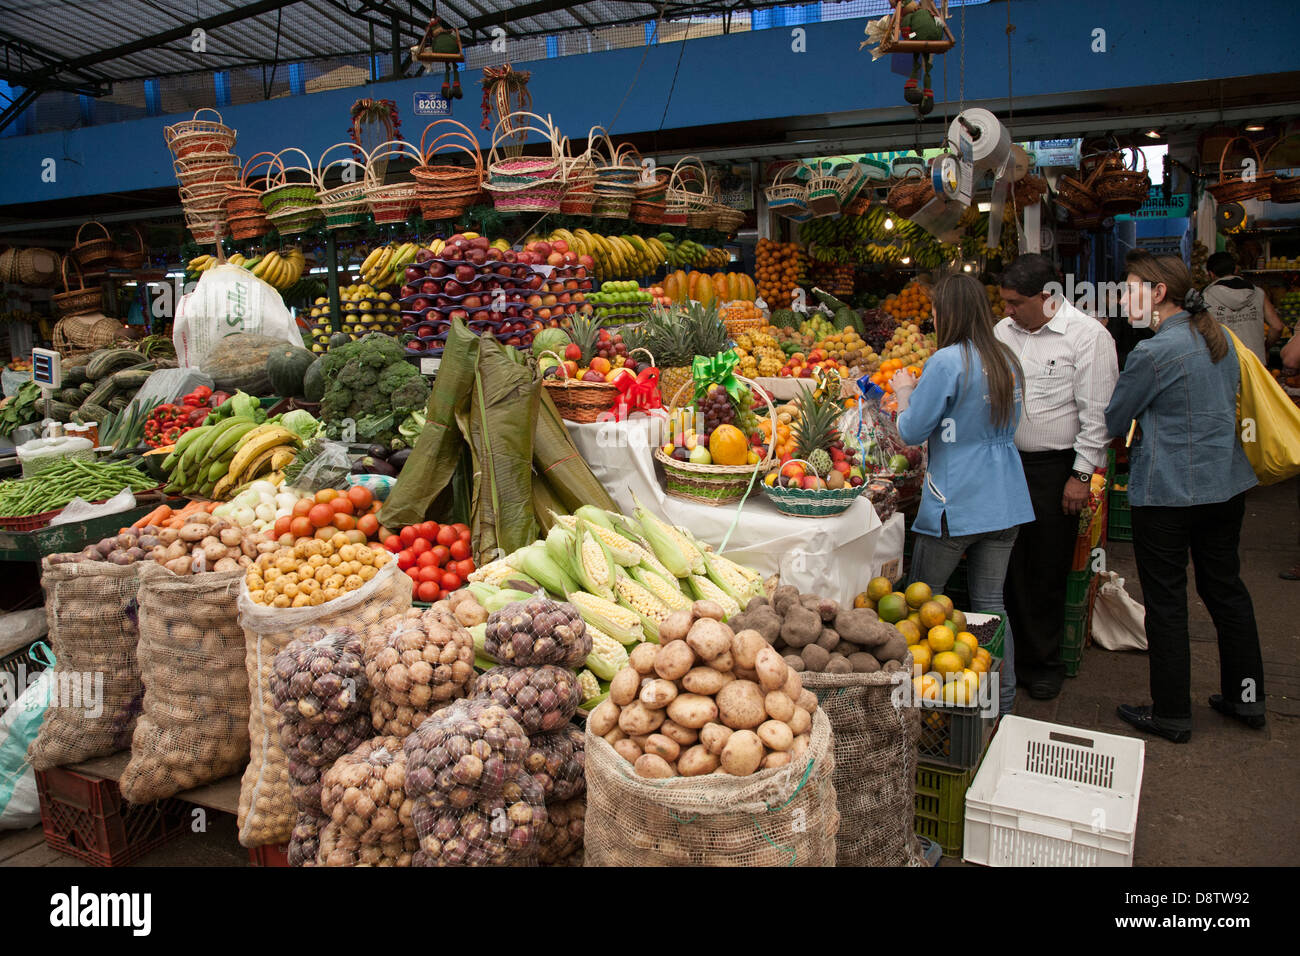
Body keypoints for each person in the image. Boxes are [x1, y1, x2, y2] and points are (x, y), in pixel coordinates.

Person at [1105, 251, 1265, 743]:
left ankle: (1172, 713)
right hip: (1225, 486)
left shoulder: (1152, 354)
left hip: (1168, 494)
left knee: (1167, 601)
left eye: (1130, 288)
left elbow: (1115, 420)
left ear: (1158, 293)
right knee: (1226, 591)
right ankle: (1247, 698)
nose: (1121, 298)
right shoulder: (1220, 342)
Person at [895, 273, 1033, 715]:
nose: (932, 318)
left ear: (948, 313)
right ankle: (1002, 703)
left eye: (935, 310)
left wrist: (903, 395)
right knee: (992, 606)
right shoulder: (1006, 357)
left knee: (922, 598)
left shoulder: (947, 361)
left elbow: (913, 431)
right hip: (1005, 496)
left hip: (956, 499)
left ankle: (918, 707)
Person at [994, 254, 1119, 700]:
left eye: (1015, 302)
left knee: (1045, 568)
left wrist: (1081, 475)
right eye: (1003, 301)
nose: (1007, 310)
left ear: (1048, 297)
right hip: (1006, 463)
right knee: (1006, 565)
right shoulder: (1002, 332)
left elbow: (1098, 415)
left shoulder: (1087, 337)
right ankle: (1008, 659)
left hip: (1055, 469)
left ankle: (1044, 663)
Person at [1202, 252, 1284, 366]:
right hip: (1255, 363)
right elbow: (1277, 326)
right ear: (1235, 270)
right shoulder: (1258, 293)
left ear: (1210, 274)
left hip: (1223, 366)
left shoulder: (1205, 297)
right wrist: (1263, 347)